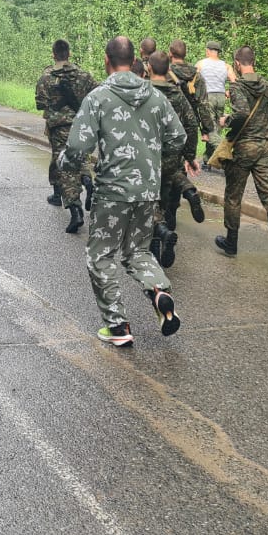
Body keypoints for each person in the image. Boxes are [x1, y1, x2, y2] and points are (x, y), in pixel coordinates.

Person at [59, 36, 187, 347]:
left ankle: (117, 326)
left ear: (107, 60)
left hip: (113, 192)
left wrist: (65, 163)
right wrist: (152, 160)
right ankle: (159, 292)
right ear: (134, 61)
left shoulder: (98, 97)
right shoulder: (156, 96)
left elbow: (78, 146)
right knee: (138, 252)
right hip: (147, 190)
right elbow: (178, 137)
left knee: (101, 255)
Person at [214, 45, 268, 266]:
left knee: (233, 195)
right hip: (266, 147)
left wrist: (226, 120)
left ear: (237, 63)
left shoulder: (237, 87)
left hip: (245, 147)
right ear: (253, 61)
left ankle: (231, 242)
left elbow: (242, 113)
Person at [35, 39, 97, 233]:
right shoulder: (83, 75)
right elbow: (97, 95)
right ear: (69, 54)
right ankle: (86, 179)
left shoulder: (46, 77)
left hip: (59, 128)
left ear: (53, 54)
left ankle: (75, 209)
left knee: (65, 167)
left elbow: (40, 103)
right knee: (81, 157)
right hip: (81, 125)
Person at [146, 51, 201, 267]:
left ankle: (159, 235)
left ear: (149, 68)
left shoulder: (142, 93)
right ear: (168, 69)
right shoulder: (178, 95)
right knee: (165, 198)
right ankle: (187, 191)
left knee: (148, 202)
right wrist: (189, 155)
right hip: (171, 157)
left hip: (146, 157)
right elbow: (191, 125)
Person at [166, 40, 210, 224]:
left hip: (170, 124)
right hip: (189, 125)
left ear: (170, 54)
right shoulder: (196, 75)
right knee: (181, 168)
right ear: (185, 54)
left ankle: (168, 213)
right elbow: (203, 104)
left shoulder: (166, 72)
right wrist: (206, 129)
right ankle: (179, 201)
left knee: (168, 167)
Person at [196, 41, 235, 168]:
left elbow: (193, 80)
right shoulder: (226, 66)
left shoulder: (201, 64)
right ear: (218, 52)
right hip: (221, 97)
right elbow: (235, 82)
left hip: (207, 97)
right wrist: (229, 91)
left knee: (210, 129)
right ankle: (208, 159)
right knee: (216, 128)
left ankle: (226, 152)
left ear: (208, 51)